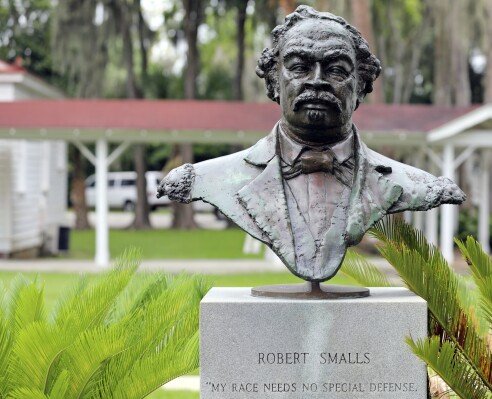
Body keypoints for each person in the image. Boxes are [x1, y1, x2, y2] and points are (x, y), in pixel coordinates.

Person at [158, 6, 465, 282]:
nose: (317, 80)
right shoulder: (204, 179)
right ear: (274, 81)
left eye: (336, 69)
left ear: (361, 86)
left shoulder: (416, 184)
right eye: (299, 66)